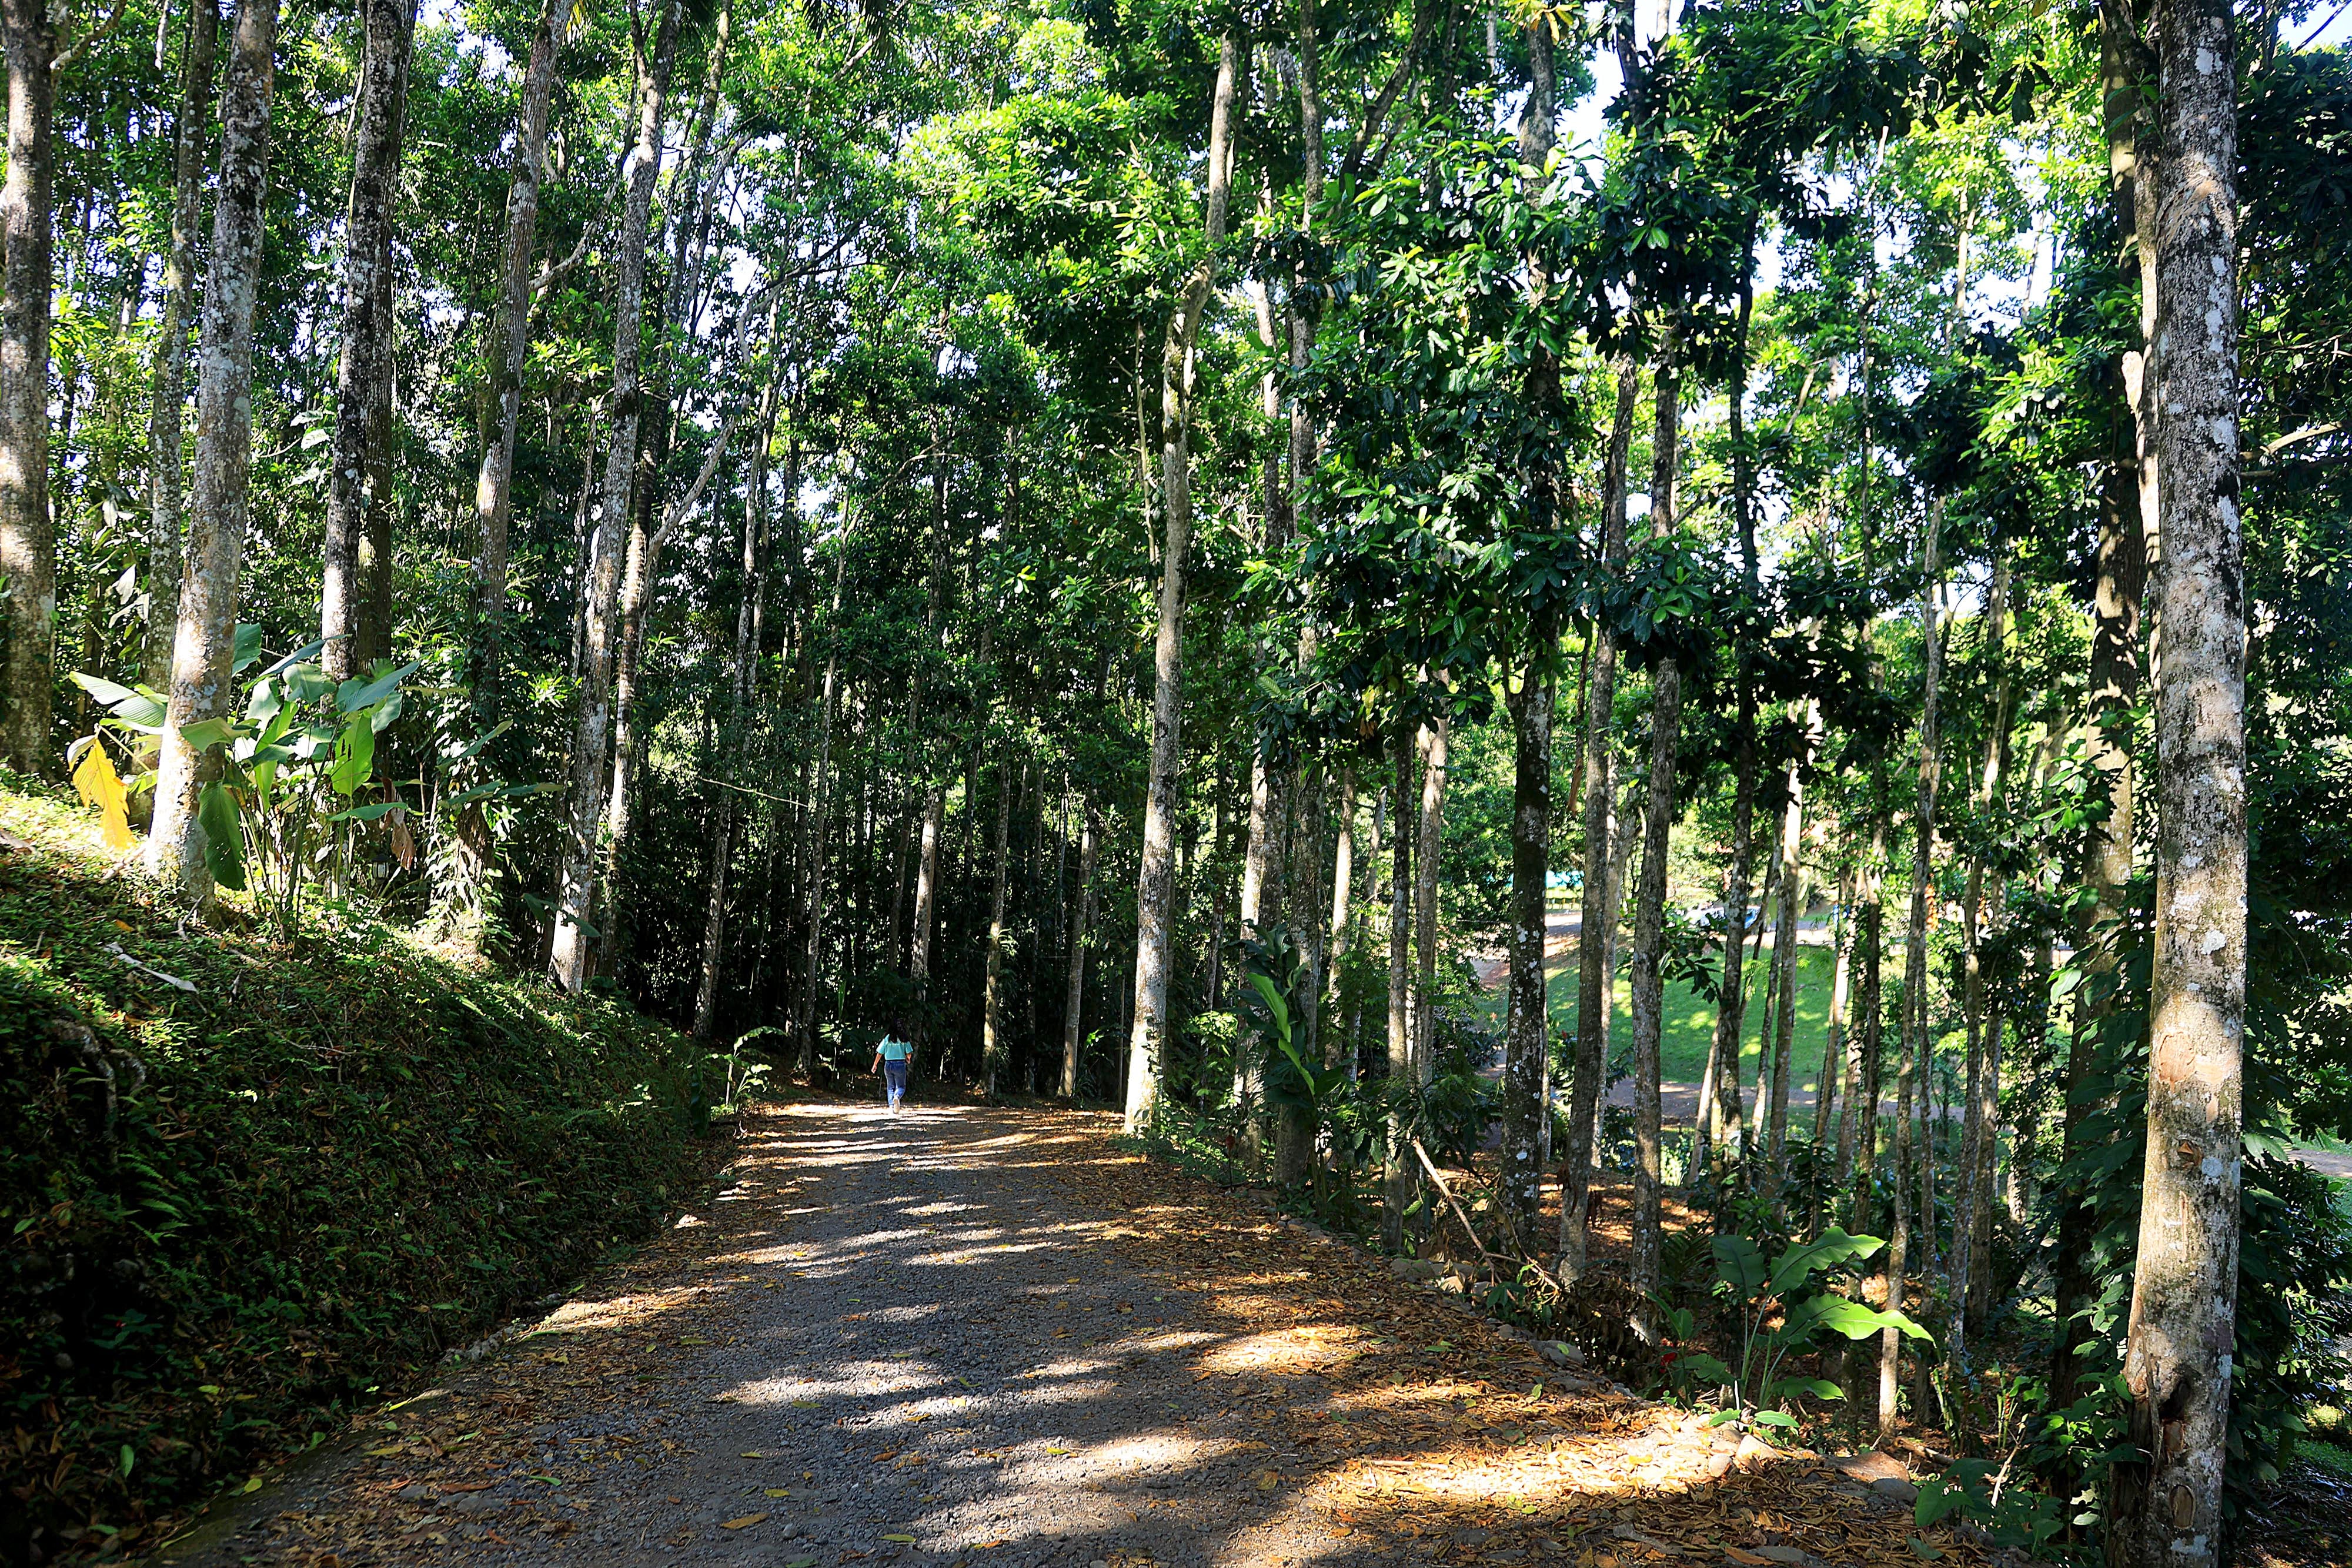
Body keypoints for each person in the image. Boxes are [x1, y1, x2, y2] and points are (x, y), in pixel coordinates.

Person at [871, 1021, 913, 1112]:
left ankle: (891, 1108)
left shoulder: (888, 1038)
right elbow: (909, 1052)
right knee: (901, 1086)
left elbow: (880, 1052)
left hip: (888, 1064)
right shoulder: (903, 1039)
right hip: (900, 1064)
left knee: (890, 1087)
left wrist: (875, 1064)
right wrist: (908, 1058)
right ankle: (897, 1097)